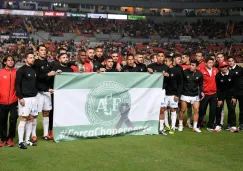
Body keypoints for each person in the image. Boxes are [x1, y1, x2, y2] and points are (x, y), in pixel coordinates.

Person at [33, 45, 58, 142]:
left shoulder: (47, 62)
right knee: (35, 114)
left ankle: (45, 134)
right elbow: (36, 77)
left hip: (47, 91)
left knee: (46, 113)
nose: (44, 52)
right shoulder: (35, 63)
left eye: (45, 50)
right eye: (42, 50)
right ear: (38, 52)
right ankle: (33, 135)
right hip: (38, 92)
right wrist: (48, 74)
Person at [15, 52, 38, 149]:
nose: (32, 59)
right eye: (30, 58)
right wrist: (20, 97)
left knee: (31, 118)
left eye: (33, 58)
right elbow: (17, 85)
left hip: (34, 98)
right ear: (26, 59)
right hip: (25, 98)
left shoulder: (34, 70)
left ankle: (27, 140)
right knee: (24, 118)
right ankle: (20, 142)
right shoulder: (21, 70)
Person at [178, 60, 204, 133]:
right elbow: (181, 82)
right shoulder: (184, 72)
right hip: (185, 94)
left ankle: (195, 127)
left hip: (195, 95)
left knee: (196, 110)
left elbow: (201, 84)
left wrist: (201, 91)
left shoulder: (199, 74)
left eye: (193, 65)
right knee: (183, 110)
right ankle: (180, 125)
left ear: (196, 66)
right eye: (190, 65)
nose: (191, 66)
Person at [147, 53, 169, 135]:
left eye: (162, 56)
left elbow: (170, 80)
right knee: (151, 109)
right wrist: (148, 71)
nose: (160, 58)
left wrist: (168, 75)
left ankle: (161, 128)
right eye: (159, 56)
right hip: (151, 91)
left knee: (162, 110)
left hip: (161, 92)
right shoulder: (150, 66)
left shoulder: (166, 67)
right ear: (156, 57)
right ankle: (150, 127)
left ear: (164, 58)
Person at [0, 56, 18, 147]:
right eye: (9, 60)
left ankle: (10, 138)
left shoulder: (17, 72)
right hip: (2, 102)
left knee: (13, 120)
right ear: (4, 62)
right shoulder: (0, 72)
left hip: (14, 101)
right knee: (2, 121)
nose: (11, 62)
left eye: (12, 60)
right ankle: (3, 139)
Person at [163, 55, 183, 135]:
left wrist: (177, 95)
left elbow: (180, 84)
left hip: (173, 94)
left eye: (166, 61)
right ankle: (167, 125)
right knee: (164, 109)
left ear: (170, 62)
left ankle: (173, 126)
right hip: (164, 94)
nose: (165, 63)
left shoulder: (177, 70)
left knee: (173, 109)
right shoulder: (163, 70)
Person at [215, 61, 237, 133]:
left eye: (225, 66)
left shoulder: (232, 74)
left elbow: (235, 86)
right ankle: (218, 124)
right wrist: (219, 99)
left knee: (231, 109)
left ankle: (232, 125)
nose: (224, 68)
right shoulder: (218, 76)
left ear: (227, 66)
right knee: (219, 109)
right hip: (221, 94)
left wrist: (234, 97)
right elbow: (218, 88)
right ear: (220, 68)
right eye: (222, 67)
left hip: (230, 95)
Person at [199, 57, 218, 131]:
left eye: (212, 63)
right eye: (209, 63)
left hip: (214, 93)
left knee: (213, 110)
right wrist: (201, 91)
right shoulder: (201, 71)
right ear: (205, 63)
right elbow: (199, 83)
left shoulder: (215, 70)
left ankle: (210, 125)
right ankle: (199, 124)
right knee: (202, 109)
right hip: (205, 94)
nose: (211, 64)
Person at [228, 56, 243, 131]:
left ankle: (241, 124)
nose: (230, 62)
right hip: (231, 93)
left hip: (241, 92)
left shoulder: (240, 69)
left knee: (242, 108)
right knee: (231, 109)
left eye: (232, 61)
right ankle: (231, 124)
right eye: (229, 61)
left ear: (234, 61)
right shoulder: (227, 70)